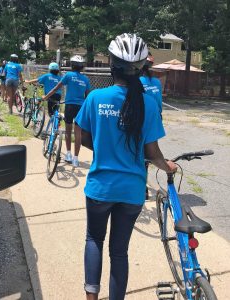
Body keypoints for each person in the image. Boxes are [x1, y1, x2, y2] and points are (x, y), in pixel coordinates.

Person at [75, 33, 177, 300]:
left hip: (100, 188)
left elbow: (82, 135)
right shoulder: (149, 103)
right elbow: (152, 152)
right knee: (119, 251)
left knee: (94, 240)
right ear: (141, 67)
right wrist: (167, 167)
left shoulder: (96, 98)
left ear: (111, 63)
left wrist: (104, 148)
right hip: (132, 191)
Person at [42, 55, 91, 167]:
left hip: (69, 106)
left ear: (72, 65)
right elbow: (88, 96)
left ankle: (68, 154)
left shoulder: (68, 75)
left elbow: (56, 88)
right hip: (81, 107)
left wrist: (46, 97)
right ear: (82, 67)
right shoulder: (86, 79)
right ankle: (76, 159)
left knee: (68, 131)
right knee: (77, 133)